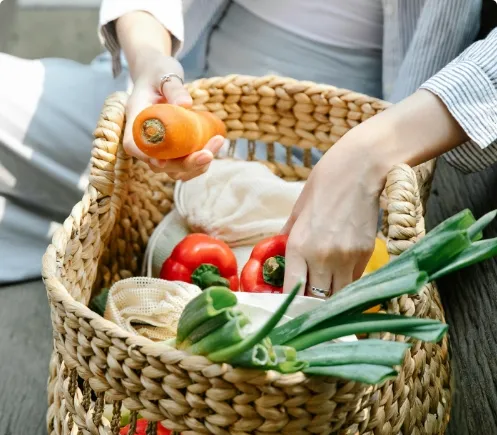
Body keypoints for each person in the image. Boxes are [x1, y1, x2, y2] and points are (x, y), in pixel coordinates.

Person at [1, 1, 496, 295]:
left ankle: (81, 229)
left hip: (334, 161)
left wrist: (370, 153)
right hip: (173, 102)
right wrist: (148, 52)